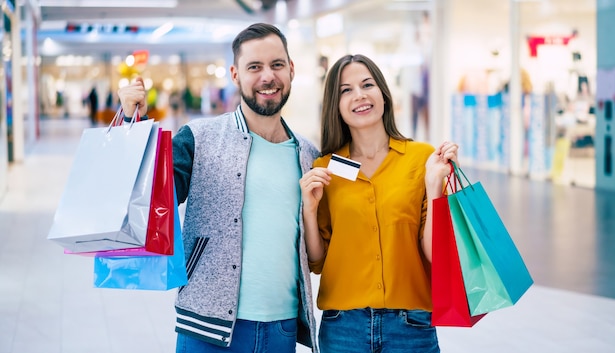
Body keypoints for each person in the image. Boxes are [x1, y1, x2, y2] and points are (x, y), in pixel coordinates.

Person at [117, 23, 319, 353]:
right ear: (235, 75)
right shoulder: (199, 138)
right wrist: (131, 126)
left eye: (276, 65)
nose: (267, 76)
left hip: (281, 330)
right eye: (254, 67)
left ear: (291, 70)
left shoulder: (308, 154)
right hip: (207, 329)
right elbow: (150, 197)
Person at [299, 54, 460, 353]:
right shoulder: (326, 168)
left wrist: (434, 186)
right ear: (335, 105)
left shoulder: (421, 159)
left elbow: (435, 253)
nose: (359, 95)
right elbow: (317, 261)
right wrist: (309, 209)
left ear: (384, 95)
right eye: (346, 90)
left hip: (411, 327)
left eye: (367, 84)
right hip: (343, 327)